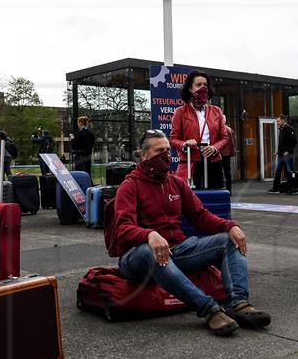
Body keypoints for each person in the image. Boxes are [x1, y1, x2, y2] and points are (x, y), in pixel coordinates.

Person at [112, 129, 271, 336]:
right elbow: (122, 229)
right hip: (136, 256)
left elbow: (200, 216)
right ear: (144, 155)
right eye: (160, 150)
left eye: (168, 150)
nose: (166, 156)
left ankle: (238, 304)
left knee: (229, 241)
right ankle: (209, 310)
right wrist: (148, 235)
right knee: (149, 252)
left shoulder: (176, 183)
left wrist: (230, 226)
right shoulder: (129, 186)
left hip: (176, 250)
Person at [169, 71, 228, 189]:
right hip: (191, 161)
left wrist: (215, 148)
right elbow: (173, 139)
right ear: (190, 88)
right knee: (192, 199)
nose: (202, 88)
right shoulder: (180, 112)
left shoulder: (216, 111)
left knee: (214, 197)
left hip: (213, 162)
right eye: (198, 84)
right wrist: (185, 144)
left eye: (205, 85)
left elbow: (224, 137)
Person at [268, 115, 297, 193]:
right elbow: (281, 143)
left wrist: (288, 151)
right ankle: (275, 188)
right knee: (277, 171)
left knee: (290, 171)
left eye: (278, 121)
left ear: (283, 120)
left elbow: (294, 142)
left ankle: (292, 188)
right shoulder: (281, 129)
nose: (277, 122)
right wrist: (278, 150)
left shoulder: (290, 129)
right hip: (280, 155)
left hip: (288, 155)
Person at [220, 124, 235, 194]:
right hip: (228, 153)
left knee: (219, 172)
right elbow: (233, 141)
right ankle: (229, 190)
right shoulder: (230, 129)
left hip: (220, 153)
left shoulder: (220, 129)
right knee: (227, 172)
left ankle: (220, 187)